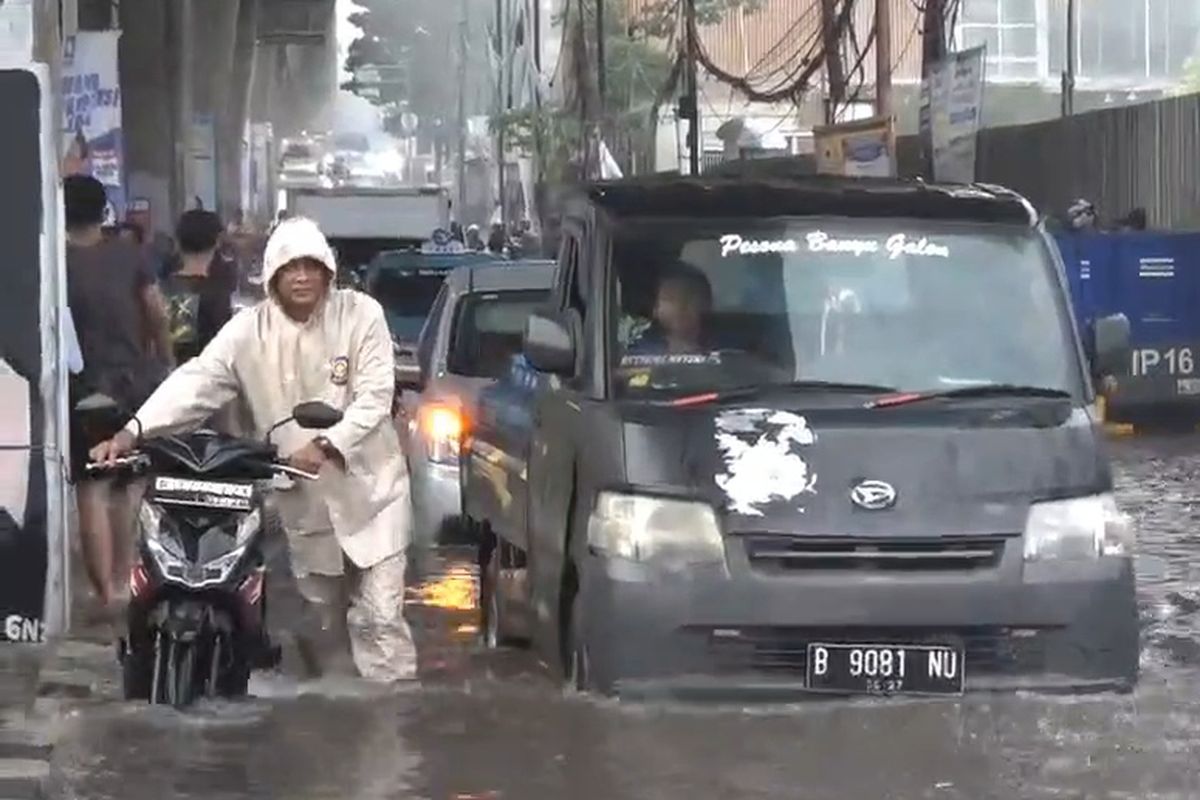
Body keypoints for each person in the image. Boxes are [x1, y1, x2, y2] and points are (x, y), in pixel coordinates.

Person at [89, 216, 417, 683]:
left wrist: (326, 444)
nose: (302, 276)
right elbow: (198, 382)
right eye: (291, 267)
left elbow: (375, 397)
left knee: (380, 618)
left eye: (311, 266)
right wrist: (132, 432)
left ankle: (392, 720)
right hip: (304, 501)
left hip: (373, 496)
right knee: (321, 628)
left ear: (328, 271)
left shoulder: (361, 314)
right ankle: (338, 721)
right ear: (272, 276)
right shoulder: (249, 330)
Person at [64, 175, 172, 621]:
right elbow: (157, 310)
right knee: (128, 488)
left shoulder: (55, 261)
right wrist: (164, 361)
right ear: (103, 210)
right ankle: (127, 579)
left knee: (92, 488)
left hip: (85, 387)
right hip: (136, 383)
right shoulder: (131, 255)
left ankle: (104, 593)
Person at [163, 210, 236, 365]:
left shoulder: (160, 288)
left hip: (164, 379)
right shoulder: (216, 293)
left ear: (178, 242)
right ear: (217, 241)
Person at [628, 266, 715, 355]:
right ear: (655, 310)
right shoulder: (641, 354)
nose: (682, 307)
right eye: (670, 298)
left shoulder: (723, 352)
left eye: (689, 299)